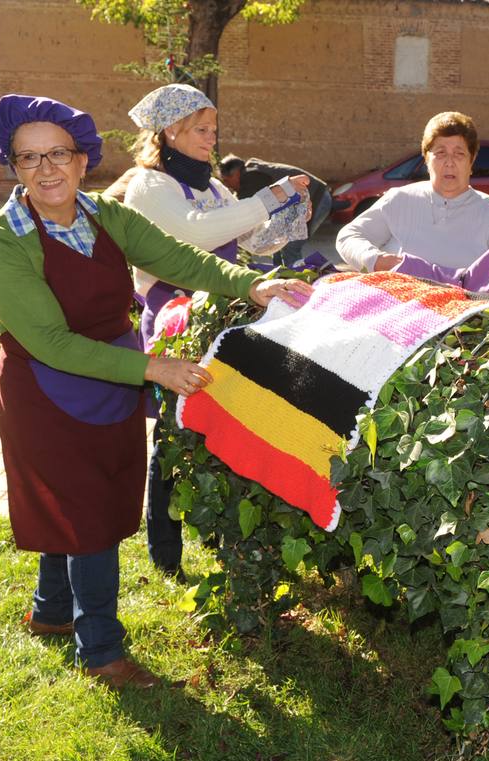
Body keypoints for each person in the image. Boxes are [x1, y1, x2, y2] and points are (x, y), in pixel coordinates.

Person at [0, 94, 312, 688]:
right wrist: (154, 368)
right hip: (46, 387)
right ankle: (102, 651)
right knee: (86, 513)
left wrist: (253, 286)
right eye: (28, 159)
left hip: (110, 381)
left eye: (58, 153)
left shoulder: (107, 216)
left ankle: (51, 613)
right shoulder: (3, 242)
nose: (46, 169)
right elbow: (52, 342)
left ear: (84, 159)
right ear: (13, 166)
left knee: (82, 498)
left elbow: (182, 259)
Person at [123, 84, 311, 578]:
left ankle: (223, 538)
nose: (212, 138)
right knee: (172, 433)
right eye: (202, 130)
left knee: (217, 425)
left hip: (218, 314)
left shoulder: (209, 185)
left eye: (213, 129)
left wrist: (288, 210)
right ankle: (165, 554)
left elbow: (250, 237)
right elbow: (198, 234)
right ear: (172, 131)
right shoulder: (150, 186)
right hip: (174, 320)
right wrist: (268, 198)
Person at [335, 111, 489, 284]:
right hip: (397, 310)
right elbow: (348, 237)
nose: (449, 162)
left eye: (459, 154)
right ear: (426, 158)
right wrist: (374, 260)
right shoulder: (400, 199)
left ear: (471, 160)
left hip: (463, 319)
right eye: (440, 153)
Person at [219, 154, 331, 266]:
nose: (226, 185)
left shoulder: (251, 177)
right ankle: (282, 278)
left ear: (236, 173)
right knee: (278, 244)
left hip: (317, 197)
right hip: (316, 196)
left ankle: (296, 280)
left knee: (290, 245)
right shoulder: (251, 173)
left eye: (226, 180)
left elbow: (246, 212)